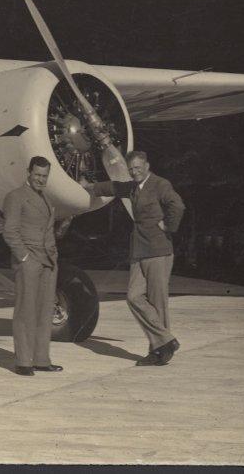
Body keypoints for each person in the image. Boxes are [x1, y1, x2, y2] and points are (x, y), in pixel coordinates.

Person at [85, 150, 185, 366]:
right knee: (133, 297)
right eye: (131, 169)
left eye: (138, 168)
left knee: (158, 303)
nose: (135, 172)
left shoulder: (160, 184)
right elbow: (115, 187)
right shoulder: (133, 186)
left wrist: (168, 226)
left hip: (158, 250)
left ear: (147, 166)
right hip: (139, 251)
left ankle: (159, 351)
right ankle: (166, 341)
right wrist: (89, 187)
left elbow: (177, 205)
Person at [2, 156, 62, 376]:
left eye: (44, 176)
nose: (40, 179)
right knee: (25, 311)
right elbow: (10, 231)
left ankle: (41, 359)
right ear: (28, 172)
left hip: (48, 261)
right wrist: (25, 257)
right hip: (29, 260)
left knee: (45, 312)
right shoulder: (16, 197)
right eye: (37, 174)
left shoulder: (46, 198)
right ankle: (23, 361)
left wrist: (53, 255)